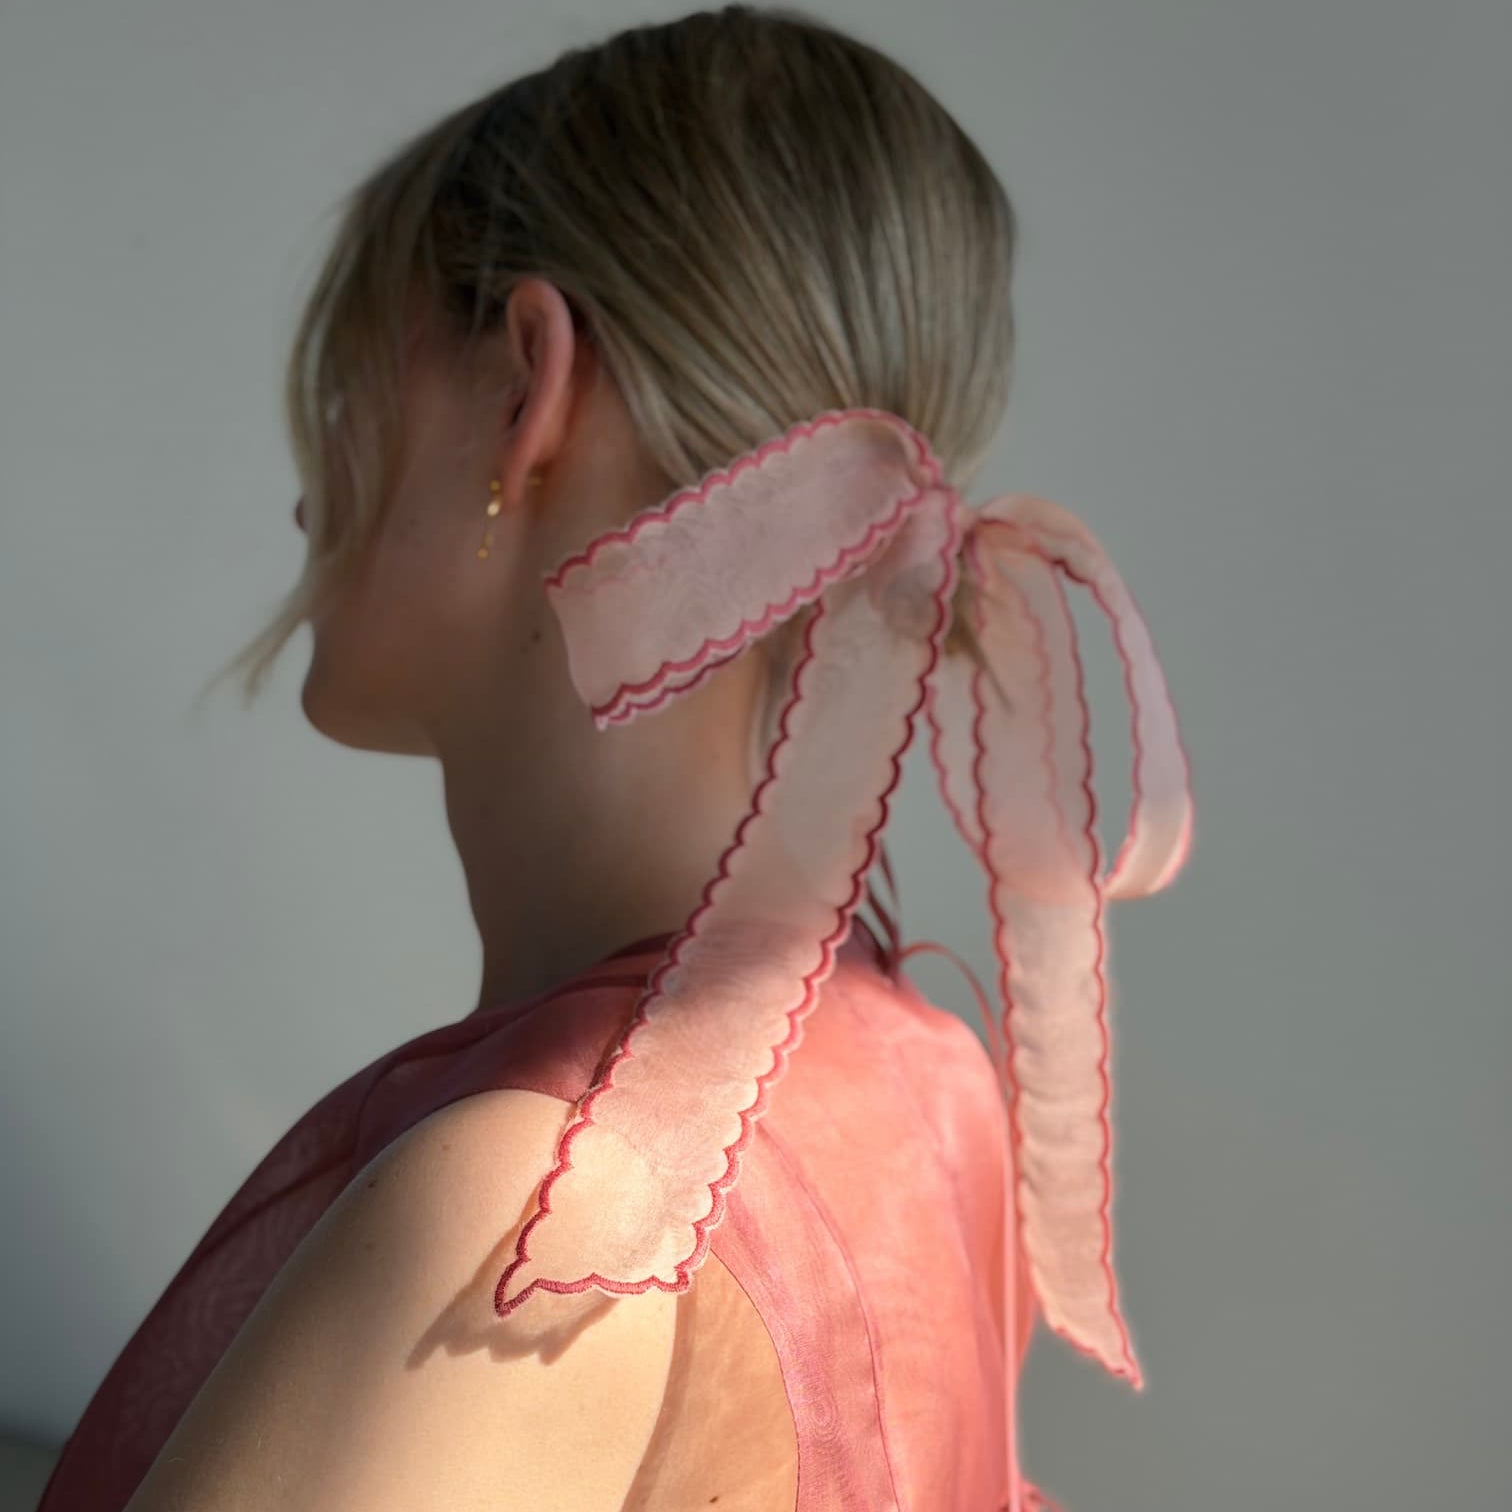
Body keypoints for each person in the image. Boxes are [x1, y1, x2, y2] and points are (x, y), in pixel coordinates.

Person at [39, 7, 1193, 1511]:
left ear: (526, 384)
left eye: (346, 379)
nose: (306, 486)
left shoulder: (531, 1231)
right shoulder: (922, 1078)